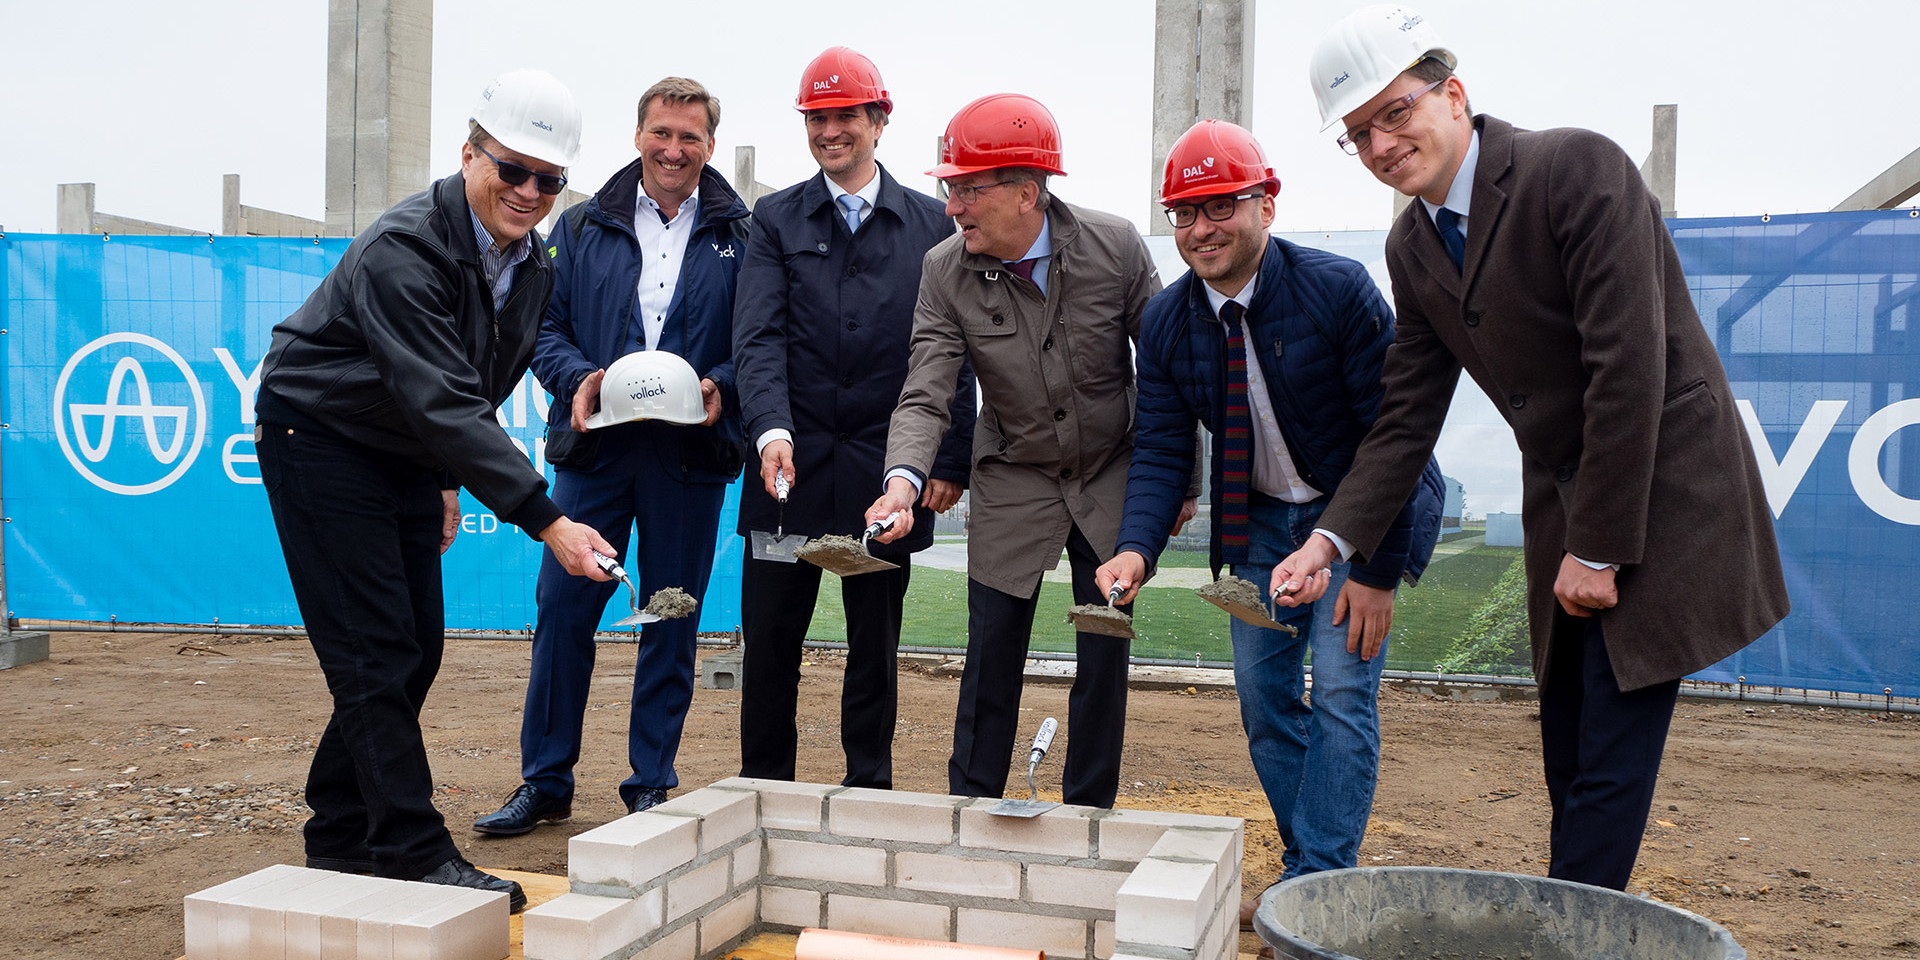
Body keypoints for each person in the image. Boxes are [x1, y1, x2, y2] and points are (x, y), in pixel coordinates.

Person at [1279, 5, 1788, 890]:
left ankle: (1570, 928)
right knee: (1569, 743)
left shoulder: (1574, 168)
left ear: (1453, 95)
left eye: (1394, 113)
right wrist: (1330, 541)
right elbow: (1405, 418)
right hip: (1568, 502)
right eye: (1358, 134)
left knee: (1610, 754)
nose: (1382, 145)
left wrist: (1598, 546)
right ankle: (1572, 914)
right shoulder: (1414, 243)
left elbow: (1627, 368)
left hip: (1656, 489)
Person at [255, 70, 614, 911]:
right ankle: (410, 850)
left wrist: (449, 477)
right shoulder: (403, 248)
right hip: (321, 435)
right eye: (512, 168)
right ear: (468, 152)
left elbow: (472, 385)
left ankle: (339, 837)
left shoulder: (531, 266)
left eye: (549, 179)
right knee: (373, 651)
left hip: (405, 447)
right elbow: (443, 398)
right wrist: (549, 522)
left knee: (414, 647)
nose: (528, 191)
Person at [1095, 120, 1444, 898]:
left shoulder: (1337, 289)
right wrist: (1135, 551)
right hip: (1258, 530)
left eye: (1219, 206)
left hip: (1358, 521)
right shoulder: (1164, 322)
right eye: (1183, 213)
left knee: (1346, 694)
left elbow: (1397, 438)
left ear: (1267, 205)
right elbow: (1158, 451)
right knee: (1263, 701)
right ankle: (1313, 862)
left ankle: (1318, 879)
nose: (1199, 229)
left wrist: (1375, 571)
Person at [864, 94, 1177, 809]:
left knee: (1104, 647)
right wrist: (903, 481)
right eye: (950, 188)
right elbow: (926, 389)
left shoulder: (1117, 247)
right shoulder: (944, 271)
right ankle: (969, 808)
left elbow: (1166, 372)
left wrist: (1178, 482)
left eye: (970, 189)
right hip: (1014, 477)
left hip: (1110, 474)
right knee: (992, 648)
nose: (953, 206)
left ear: (1027, 192)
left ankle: (1088, 811)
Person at [474, 76, 750, 834]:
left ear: (709, 147)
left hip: (690, 457)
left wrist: (721, 386)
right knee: (564, 612)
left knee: (670, 617)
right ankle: (545, 782)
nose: (674, 148)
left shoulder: (740, 233)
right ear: (638, 136)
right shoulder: (582, 225)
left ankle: (650, 786)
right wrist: (581, 382)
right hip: (595, 455)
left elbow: (756, 342)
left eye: (689, 136)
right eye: (662, 132)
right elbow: (543, 328)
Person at [731, 47, 975, 789]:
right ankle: (764, 789)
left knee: (875, 644)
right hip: (787, 474)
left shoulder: (935, 223)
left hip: (886, 477)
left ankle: (869, 786)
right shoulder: (773, 219)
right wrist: (771, 429)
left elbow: (954, 352)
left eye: (845, 117)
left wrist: (948, 459)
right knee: (770, 643)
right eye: (817, 118)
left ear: (879, 120)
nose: (830, 131)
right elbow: (758, 337)